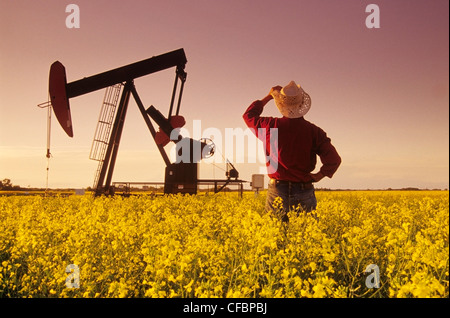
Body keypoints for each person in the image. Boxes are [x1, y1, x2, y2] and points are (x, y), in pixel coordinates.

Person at [243, 81, 341, 222]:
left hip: (277, 189)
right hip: (304, 189)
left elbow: (249, 116)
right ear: (301, 105)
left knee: (274, 235)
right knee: (306, 236)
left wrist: (269, 96)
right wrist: (320, 175)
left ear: (281, 104)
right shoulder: (314, 131)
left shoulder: (271, 126)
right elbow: (334, 159)